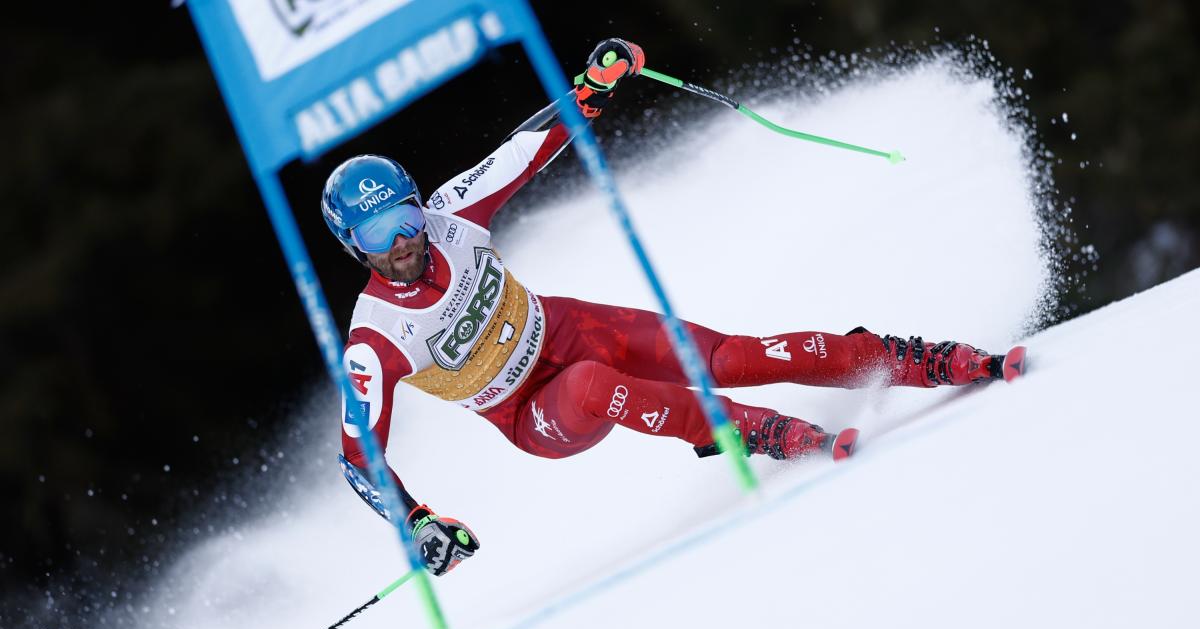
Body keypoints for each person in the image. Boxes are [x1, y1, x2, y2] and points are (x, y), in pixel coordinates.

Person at [322, 39, 1011, 576]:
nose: (405, 240)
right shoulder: (375, 338)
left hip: (567, 326)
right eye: (379, 235)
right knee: (593, 385)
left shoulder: (450, 215)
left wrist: (592, 88)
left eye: (406, 216)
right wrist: (416, 521)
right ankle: (758, 430)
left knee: (733, 355)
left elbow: (526, 150)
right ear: (354, 246)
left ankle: (915, 358)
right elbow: (359, 457)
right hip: (534, 411)